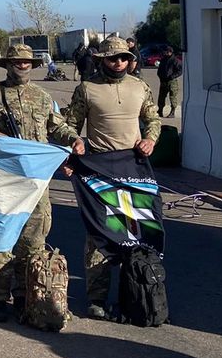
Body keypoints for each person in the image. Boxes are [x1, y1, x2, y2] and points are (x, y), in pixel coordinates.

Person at [0, 44, 83, 322]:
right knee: (2, 235)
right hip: (5, 177)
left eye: (27, 62)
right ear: (8, 64)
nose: (22, 65)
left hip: (36, 179)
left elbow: (57, 126)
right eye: (16, 61)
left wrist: (73, 139)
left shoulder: (42, 97)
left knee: (34, 238)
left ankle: (26, 294)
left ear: (33, 65)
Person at [66, 35, 162, 320]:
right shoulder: (87, 88)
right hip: (99, 169)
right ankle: (96, 299)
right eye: (112, 58)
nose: (119, 63)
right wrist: (74, 145)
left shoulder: (140, 87)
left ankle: (136, 292)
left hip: (132, 167)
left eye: (124, 58)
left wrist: (151, 139)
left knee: (137, 231)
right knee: (100, 234)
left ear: (131, 61)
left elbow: (153, 119)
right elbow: (71, 124)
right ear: (101, 60)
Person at [157, 45, 183, 117]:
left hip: (172, 82)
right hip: (163, 81)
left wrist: (172, 76)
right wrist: (160, 75)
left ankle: (172, 111)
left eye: (166, 52)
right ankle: (160, 110)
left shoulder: (175, 61)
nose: (164, 53)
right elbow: (160, 69)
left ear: (170, 52)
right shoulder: (163, 60)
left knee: (172, 97)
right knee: (161, 97)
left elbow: (180, 70)